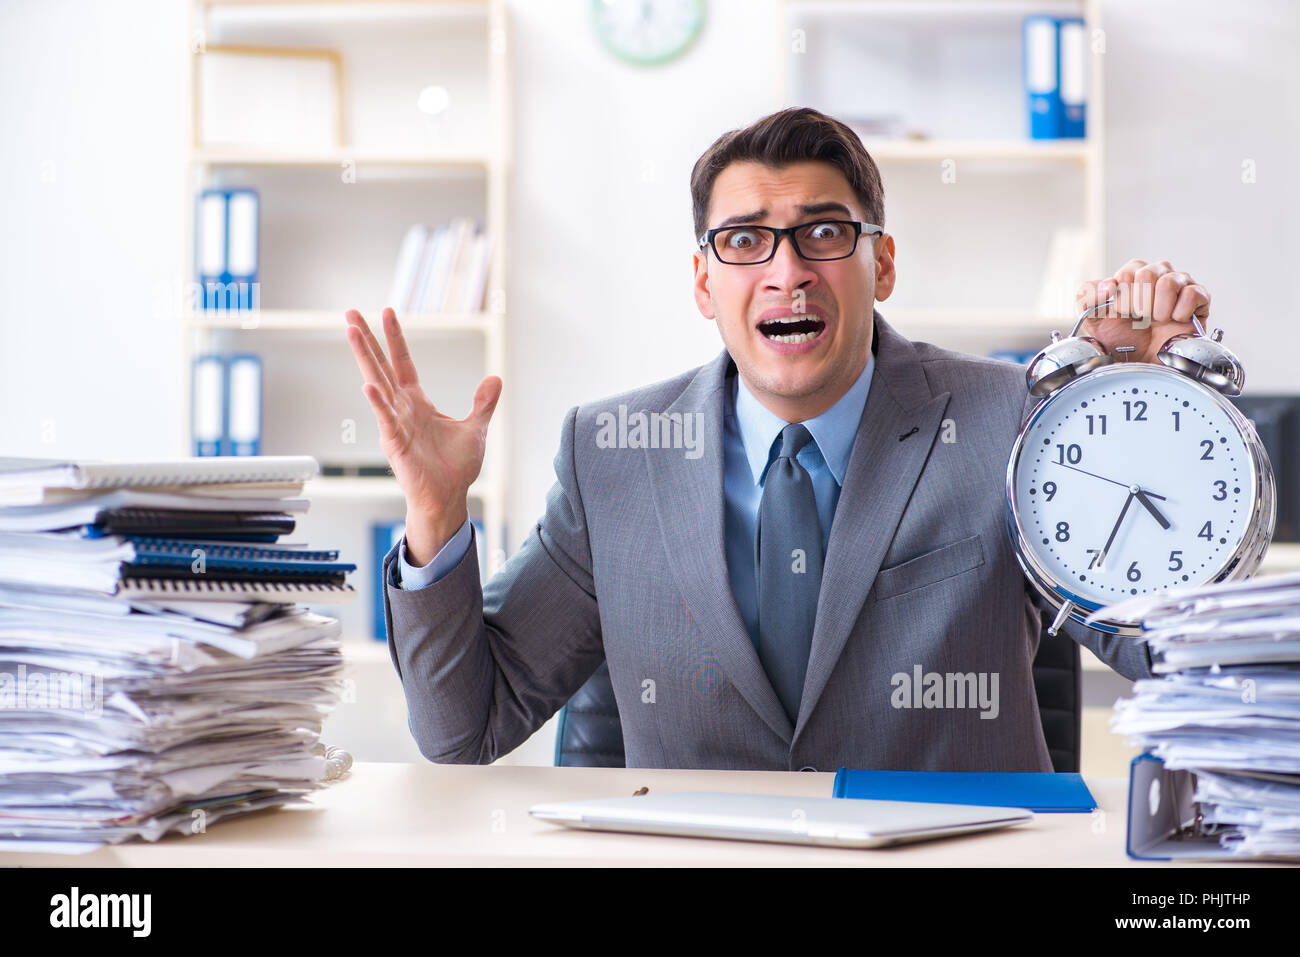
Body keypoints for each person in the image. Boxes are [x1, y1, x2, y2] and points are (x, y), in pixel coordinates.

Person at [344, 107, 1212, 771]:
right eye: (746, 240)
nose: (787, 270)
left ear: (884, 264)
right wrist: (435, 510)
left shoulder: (1010, 420)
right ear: (703, 280)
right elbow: (465, 728)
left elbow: (1172, 655)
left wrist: (1152, 410)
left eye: (825, 233)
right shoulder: (613, 453)